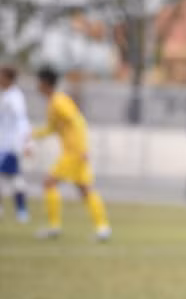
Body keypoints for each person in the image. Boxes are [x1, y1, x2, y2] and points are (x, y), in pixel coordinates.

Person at [29, 66, 110, 241]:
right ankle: (103, 229)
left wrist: (82, 149)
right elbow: (52, 128)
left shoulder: (59, 101)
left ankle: (54, 227)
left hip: (74, 153)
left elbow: (77, 122)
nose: (37, 86)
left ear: (45, 83)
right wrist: (32, 134)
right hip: (75, 152)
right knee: (85, 189)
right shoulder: (54, 102)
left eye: (38, 82)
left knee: (49, 182)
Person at [0, 66, 31, 223]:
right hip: (4, 144)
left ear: (8, 78)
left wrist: (26, 143)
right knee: (15, 178)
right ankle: (21, 210)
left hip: (11, 145)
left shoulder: (15, 97)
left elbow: (21, 120)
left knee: (15, 179)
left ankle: (21, 210)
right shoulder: (6, 95)